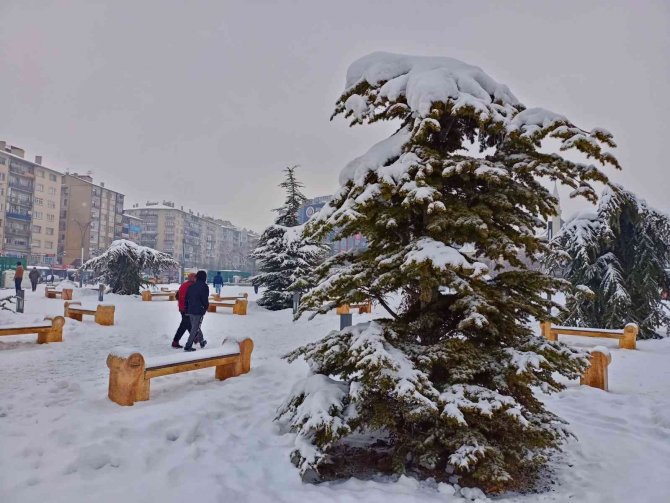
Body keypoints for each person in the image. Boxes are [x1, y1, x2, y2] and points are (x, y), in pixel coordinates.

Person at [184, 270, 209, 352]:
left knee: (196, 326)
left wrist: (187, 309)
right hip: (199, 310)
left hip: (191, 309)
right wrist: (205, 307)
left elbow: (187, 298)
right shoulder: (204, 287)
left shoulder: (191, 286)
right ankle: (188, 345)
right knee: (195, 328)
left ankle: (201, 341)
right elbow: (204, 299)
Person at [172, 273, 196, 348]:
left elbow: (177, 296)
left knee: (188, 323)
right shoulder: (192, 286)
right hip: (187, 308)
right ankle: (175, 341)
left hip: (182, 307)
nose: (196, 279)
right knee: (184, 324)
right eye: (195, 277)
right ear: (193, 278)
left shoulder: (183, 285)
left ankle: (195, 338)